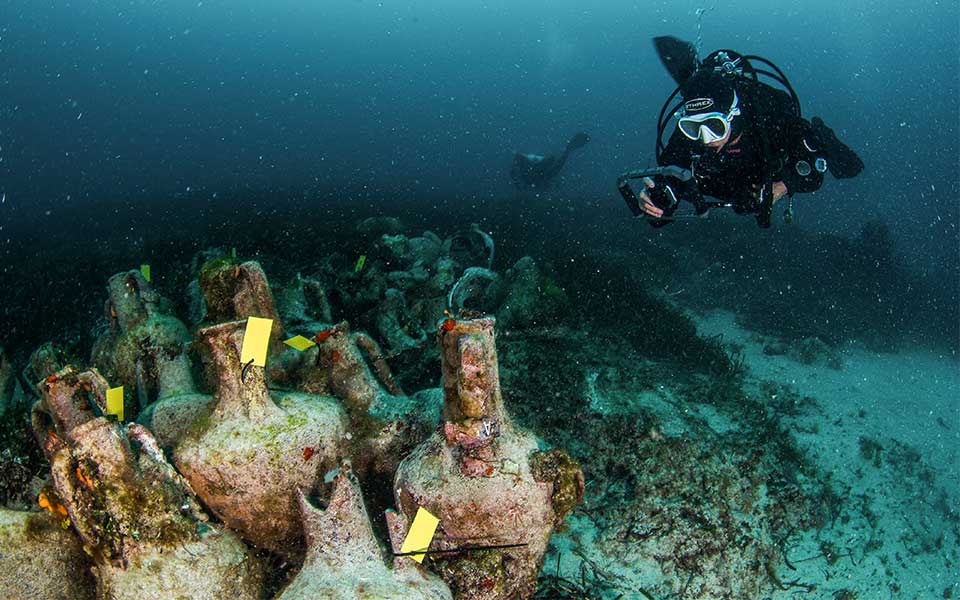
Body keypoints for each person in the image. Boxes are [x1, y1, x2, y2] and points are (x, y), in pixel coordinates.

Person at [638, 38, 863, 227]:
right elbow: (667, 184)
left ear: (733, 116)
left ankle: (820, 132)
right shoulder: (689, 136)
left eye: (715, 126)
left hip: (764, 166)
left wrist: (778, 188)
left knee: (846, 164)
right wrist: (657, 201)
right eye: (693, 127)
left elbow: (812, 174)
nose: (705, 139)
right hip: (727, 181)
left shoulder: (769, 120)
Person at [510, 132, 590, 191]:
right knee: (556, 164)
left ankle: (570, 146)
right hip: (541, 173)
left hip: (540, 172)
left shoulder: (525, 169)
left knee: (556, 164)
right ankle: (570, 146)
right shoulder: (525, 170)